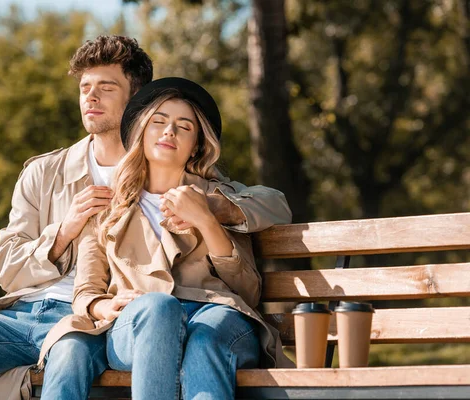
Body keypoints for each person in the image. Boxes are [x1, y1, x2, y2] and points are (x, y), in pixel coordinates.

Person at [0, 35, 291, 400]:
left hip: (105, 322)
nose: (91, 98)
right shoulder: (44, 172)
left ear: (140, 99)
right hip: (38, 312)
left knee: (88, 342)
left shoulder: (171, 159)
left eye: (106, 88)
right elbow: (7, 269)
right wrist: (64, 230)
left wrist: (215, 211)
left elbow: (264, 203)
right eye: (85, 89)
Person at [37, 77, 294, 400]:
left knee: (205, 338)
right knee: (158, 307)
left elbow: (247, 291)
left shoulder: (217, 196)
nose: (169, 131)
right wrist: (104, 305)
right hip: (138, 324)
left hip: (214, 315)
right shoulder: (108, 205)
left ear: (196, 146)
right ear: (141, 133)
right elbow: (86, 290)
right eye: (158, 122)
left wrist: (206, 217)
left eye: (183, 127)